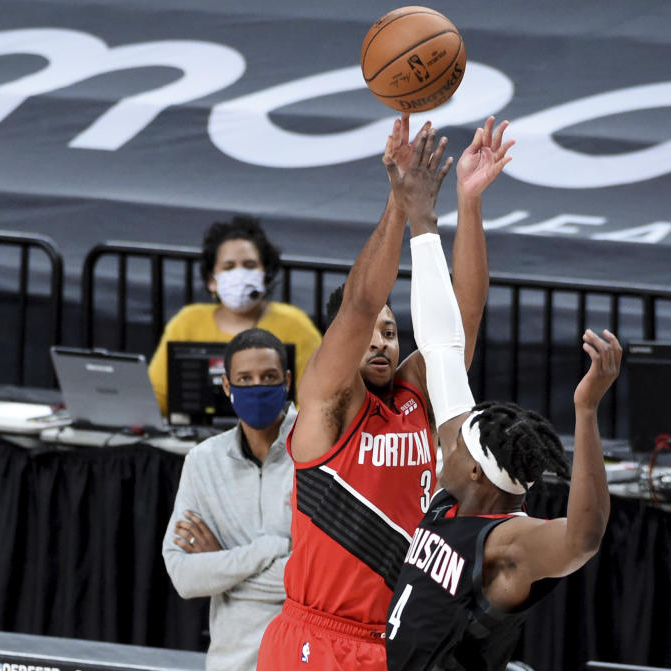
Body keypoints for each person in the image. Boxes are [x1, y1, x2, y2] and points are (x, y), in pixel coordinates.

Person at [256, 114, 514, 671]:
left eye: (391, 333)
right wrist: (401, 201)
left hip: (400, 641)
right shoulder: (328, 406)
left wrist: (469, 202)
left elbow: (461, 316)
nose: (381, 343)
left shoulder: (415, 397)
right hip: (319, 639)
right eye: (372, 334)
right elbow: (358, 304)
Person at [383, 205, 622, 670]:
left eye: (456, 447)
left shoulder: (506, 542)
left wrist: (586, 410)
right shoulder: (453, 499)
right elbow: (443, 350)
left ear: (475, 468)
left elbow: (584, 538)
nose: (445, 446)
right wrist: (438, 215)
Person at [162, 328, 296, 671]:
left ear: (287, 381)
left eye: (268, 377)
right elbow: (184, 577)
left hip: (302, 659)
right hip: (229, 663)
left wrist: (222, 567)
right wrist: (268, 550)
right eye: (244, 379)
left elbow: (319, 578)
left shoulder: (318, 452)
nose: (257, 387)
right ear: (226, 386)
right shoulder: (203, 460)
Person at [148, 215, 322, 414]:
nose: (240, 276)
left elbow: (318, 397)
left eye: (249, 265)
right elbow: (156, 395)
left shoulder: (295, 325)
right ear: (211, 280)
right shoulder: (187, 321)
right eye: (229, 267)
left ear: (265, 275)